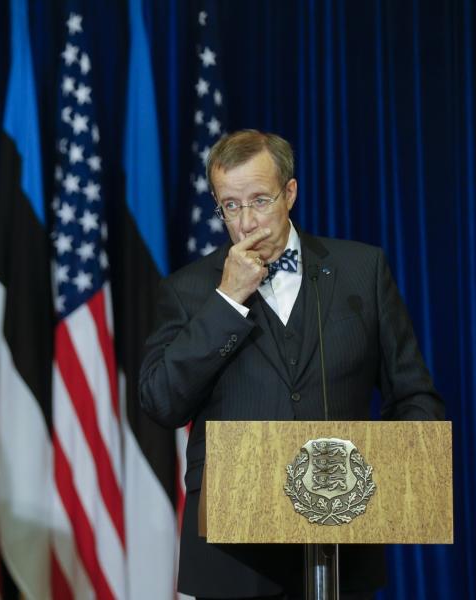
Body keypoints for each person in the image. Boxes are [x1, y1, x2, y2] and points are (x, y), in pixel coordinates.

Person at [139, 130, 443, 600]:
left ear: (291, 193)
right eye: (231, 206)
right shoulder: (189, 290)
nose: (246, 222)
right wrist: (227, 301)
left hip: (343, 540)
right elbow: (160, 402)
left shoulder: (362, 270)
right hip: (232, 555)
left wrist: (400, 476)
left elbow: (413, 394)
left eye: (260, 200)